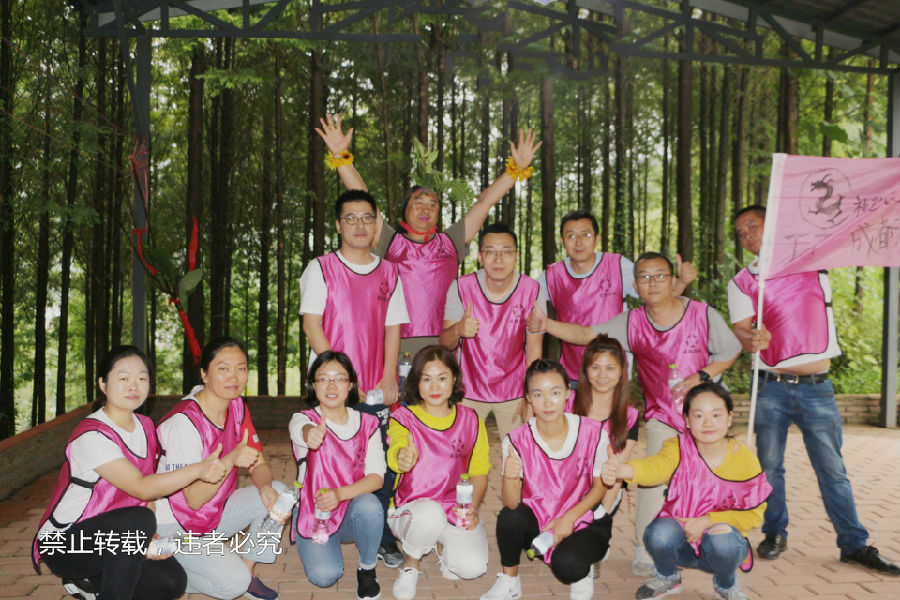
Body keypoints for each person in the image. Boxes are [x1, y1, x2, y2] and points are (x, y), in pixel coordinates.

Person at [527, 251, 741, 576]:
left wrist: (703, 375)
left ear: (673, 280)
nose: (652, 283)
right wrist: (547, 325)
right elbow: (588, 334)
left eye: (660, 275)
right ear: (635, 285)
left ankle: (717, 546)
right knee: (650, 480)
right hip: (662, 415)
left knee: (713, 480)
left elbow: (731, 349)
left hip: (705, 416)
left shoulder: (702, 314)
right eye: (644, 277)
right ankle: (646, 548)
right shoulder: (632, 321)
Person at [728, 205, 900, 574]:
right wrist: (750, 336)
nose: (747, 235)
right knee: (769, 468)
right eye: (741, 232)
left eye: (753, 226)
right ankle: (775, 533)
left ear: (773, 224)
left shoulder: (811, 260)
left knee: (832, 470)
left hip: (816, 389)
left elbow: (839, 228)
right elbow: (741, 329)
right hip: (770, 388)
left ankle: (853, 544)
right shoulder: (742, 281)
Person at [315, 113, 541, 355]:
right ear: (405, 208)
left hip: (446, 347)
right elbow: (363, 198)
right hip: (398, 349)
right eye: (418, 202)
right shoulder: (390, 241)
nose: (425, 209)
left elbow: (484, 203)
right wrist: (341, 158)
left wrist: (515, 170)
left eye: (432, 204)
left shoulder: (451, 242)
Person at [33, 345, 226, 600]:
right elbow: (142, 487)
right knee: (137, 521)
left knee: (172, 582)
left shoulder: (145, 426)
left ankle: (91, 585)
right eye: (123, 378)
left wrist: (148, 533)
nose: (133, 386)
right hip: (66, 544)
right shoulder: (92, 435)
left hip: (114, 533)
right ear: (103, 384)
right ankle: (96, 584)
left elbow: (148, 495)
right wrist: (198, 470)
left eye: (142, 378)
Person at [299, 187, 409, 567]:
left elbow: (393, 327)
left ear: (377, 224)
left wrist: (390, 375)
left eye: (367, 218)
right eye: (351, 218)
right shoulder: (321, 268)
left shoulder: (390, 272)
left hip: (375, 389)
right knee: (326, 457)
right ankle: (317, 520)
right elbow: (312, 324)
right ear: (337, 225)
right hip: (332, 389)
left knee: (379, 464)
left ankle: (379, 535)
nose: (360, 225)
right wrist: (338, 378)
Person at [602, 383, 772, 600]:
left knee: (723, 541)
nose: (708, 423)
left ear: (729, 418)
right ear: (687, 421)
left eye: (716, 415)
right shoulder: (678, 447)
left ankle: (726, 585)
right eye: (699, 415)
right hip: (682, 537)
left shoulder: (744, 459)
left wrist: (708, 521)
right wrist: (623, 469)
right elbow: (657, 467)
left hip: (722, 545)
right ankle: (668, 577)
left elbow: (754, 514)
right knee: (657, 534)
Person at [155, 337, 287, 600]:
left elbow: (259, 464)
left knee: (281, 495)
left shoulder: (236, 406)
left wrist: (265, 488)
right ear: (204, 374)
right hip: (175, 524)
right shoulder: (185, 422)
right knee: (232, 584)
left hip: (213, 513)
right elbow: (193, 500)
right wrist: (230, 460)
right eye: (223, 368)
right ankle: (155, 570)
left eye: (241, 368)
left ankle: (248, 572)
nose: (234, 377)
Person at [480, 359, 611, 600]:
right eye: (538, 394)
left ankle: (584, 564)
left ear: (568, 393)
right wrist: (510, 476)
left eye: (555, 393)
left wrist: (568, 519)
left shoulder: (593, 433)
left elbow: (600, 487)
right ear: (528, 398)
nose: (548, 402)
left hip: (585, 519)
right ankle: (510, 580)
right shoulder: (516, 440)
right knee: (509, 518)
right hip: (542, 521)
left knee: (568, 567)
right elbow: (511, 504)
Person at [537, 210, 697, 383]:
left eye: (586, 234)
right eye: (571, 236)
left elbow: (659, 299)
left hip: (615, 371)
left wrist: (681, 283)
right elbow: (526, 305)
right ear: (563, 241)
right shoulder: (551, 276)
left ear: (597, 239)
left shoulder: (617, 266)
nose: (579, 242)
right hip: (573, 373)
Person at [387, 346, 491, 600]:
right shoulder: (403, 417)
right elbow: (396, 453)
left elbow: (479, 473)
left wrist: (472, 508)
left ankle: (442, 547)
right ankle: (411, 562)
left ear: (454, 379)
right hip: (412, 509)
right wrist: (403, 457)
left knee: (472, 568)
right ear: (416, 382)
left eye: (442, 378)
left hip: (454, 510)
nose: (434, 386)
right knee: (430, 515)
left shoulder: (472, 420)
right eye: (426, 379)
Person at [288, 351, 385, 600]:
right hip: (314, 513)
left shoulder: (368, 423)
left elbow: (376, 478)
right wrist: (310, 434)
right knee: (325, 576)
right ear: (313, 384)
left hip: (350, 510)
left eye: (340, 378)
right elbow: (301, 430)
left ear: (350, 384)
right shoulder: (303, 419)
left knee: (370, 505)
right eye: (323, 379)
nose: (332, 386)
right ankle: (321, 545)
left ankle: (367, 569)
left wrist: (340, 494)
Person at [439, 222, 543, 439]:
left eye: (506, 251)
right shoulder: (461, 287)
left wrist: (530, 395)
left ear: (516, 256)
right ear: (480, 256)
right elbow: (444, 343)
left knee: (519, 450)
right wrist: (458, 329)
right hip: (468, 388)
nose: (498, 259)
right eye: (490, 252)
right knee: (462, 451)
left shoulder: (532, 290)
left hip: (514, 389)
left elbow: (534, 351)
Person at [572, 335, 640, 518]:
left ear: (621, 371)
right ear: (586, 370)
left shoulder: (630, 416)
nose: (602, 375)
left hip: (603, 489)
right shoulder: (567, 403)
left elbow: (616, 471)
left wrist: (603, 515)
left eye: (610, 368)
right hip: (565, 486)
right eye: (595, 367)